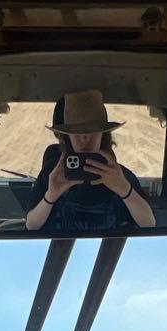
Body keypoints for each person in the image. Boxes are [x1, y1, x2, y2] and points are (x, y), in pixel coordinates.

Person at [24, 89, 157, 231]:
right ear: (67, 138)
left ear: (103, 135)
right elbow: (31, 225)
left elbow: (149, 223)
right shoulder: (54, 174)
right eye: (76, 133)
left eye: (92, 131)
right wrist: (51, 196)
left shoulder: (119, 176)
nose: (84, 138)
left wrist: (124, 189)